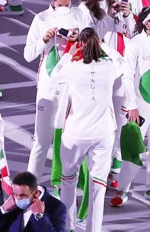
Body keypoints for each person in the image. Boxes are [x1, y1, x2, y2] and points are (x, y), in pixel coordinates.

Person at [50, 27, 136, 232]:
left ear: (80, 45)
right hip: (103, 135)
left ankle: (68, 228)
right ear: (98, 44)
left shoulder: (72, 67)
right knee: (98, 187)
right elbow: (123, 63)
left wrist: (70, 54)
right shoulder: (109, 67)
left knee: (68, 184)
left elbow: (54, 76)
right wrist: (104, 44)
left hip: (75, 135)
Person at [110, 7, 150, 207]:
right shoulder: (135, 44)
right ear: (147, 23)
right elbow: (127, 76)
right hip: (140, 104)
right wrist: (131, 105)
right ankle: (123, 189)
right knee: (134, 148)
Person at [24, 0, 85, 180]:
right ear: (53, 0)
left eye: (67, 4)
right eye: (60, 4)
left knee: (68, 139)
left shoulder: (79, 15)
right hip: (48, 86)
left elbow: (92, 44)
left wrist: (78, 40)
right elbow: (28, 55)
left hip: (72, 86)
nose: (63, 8)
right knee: (41, 140)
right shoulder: (41, 19)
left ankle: (61, 183)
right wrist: (44, 39)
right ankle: (30, 185)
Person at [0, 171, 66, 232]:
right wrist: (4, 210)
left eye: (22, 195)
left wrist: (39, 216)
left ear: (35, 192)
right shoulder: (12, 204)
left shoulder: (57, 207)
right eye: (15, 194)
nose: (18, 199)